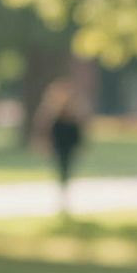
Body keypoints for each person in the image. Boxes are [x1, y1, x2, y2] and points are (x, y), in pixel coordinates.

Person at [35, 79, 88, 212]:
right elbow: (45, 128)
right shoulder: (53, 111)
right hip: (59, 144)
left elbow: (80, 128)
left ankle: (64, 192)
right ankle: (63, 193)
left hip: (69, 144)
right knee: (62, 168)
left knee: (66, 168)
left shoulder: (73, 111)